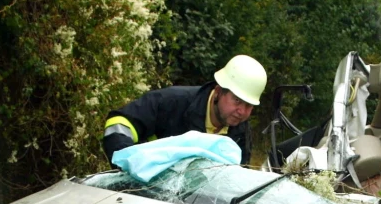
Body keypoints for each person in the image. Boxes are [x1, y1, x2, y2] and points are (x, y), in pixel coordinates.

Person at [101, 55, 267, 165]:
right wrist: (130, 165)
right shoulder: (172, 102)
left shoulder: (240, 130)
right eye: (237, 101)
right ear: (218, 92)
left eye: (249, 105)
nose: (242, 112)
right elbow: (120, 123)